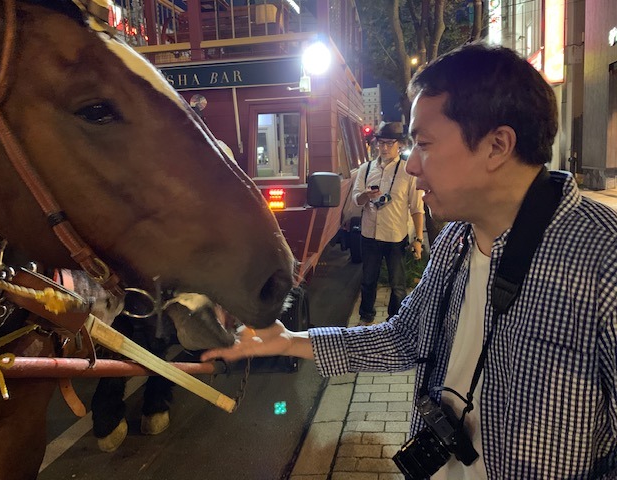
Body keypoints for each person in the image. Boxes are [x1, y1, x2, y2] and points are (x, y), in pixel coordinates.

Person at [202, 43, 617, 478]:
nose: (412, 164)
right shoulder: (457, 238)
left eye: (424, 144)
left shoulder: (602, 262)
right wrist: (289, 341)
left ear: (497, 145)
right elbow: (405, 337)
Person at [352, 121, 425, 325]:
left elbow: (417, 208)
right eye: (381, 143)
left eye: (389, 143)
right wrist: (366, 195)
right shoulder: (366, 169)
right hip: (369, 234)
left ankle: (396, 321)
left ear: (399, 145)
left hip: (395, 236)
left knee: (398, 284)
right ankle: (366, 317)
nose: (384, 148)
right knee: (368, 280)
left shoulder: (408, 172)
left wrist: (419, 239)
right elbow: (356, 199)